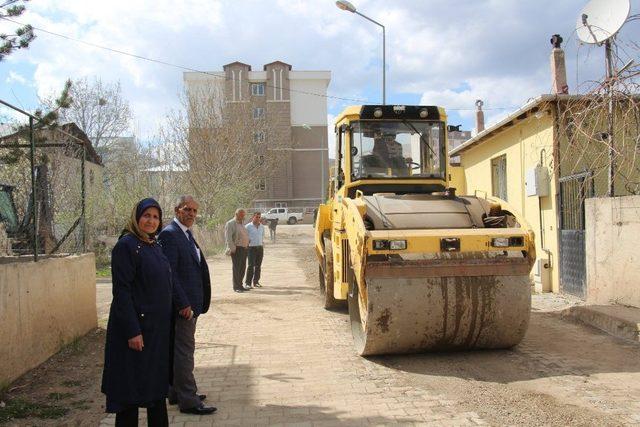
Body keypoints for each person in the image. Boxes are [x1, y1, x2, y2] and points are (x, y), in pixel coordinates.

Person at [101, 198, 172, 427]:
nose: (151, 221)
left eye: (155, 217)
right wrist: (133, 331)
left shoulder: (153, 244)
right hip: (135, 334)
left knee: (156, 392)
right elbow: (122, 292)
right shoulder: (126, 246)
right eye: (146, 215)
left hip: (156, 334)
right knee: (129, 396)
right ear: (136, 217)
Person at [158, 196, 215, 415]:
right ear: (177, 210)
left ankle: (176, 392)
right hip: (183, 308)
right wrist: (183, 303)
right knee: (184, 352)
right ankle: (189, 400)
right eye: (187, 209)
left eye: (194, 210)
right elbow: (169, 273)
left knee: (177, 350)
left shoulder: (185, 234)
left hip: (191, 305)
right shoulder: (170, 234)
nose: (191, 213)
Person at [224, 208, 250, 292]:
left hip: (244, 248)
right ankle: (236, 287)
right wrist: (232, 248)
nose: (243, 216)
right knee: (236, 268)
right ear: (236, 214)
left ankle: (240, 285)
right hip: (237, 249)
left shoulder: (242, 223)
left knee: (242, 268)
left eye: (243, 215)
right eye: (241, 215)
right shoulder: (230, 223)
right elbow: (228, 238)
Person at [245, 212, 265, 289]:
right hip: (251, 248)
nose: (258, 219)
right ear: (253, 217)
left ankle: (256, 282)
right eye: (256, 217)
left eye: (259, 217)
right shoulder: (248, 227)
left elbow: (262, 236)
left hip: (260, 248)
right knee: (250, 266)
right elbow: (245, 237)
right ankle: (248, 283)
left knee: (258, 266)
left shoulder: (262, 227)